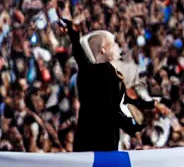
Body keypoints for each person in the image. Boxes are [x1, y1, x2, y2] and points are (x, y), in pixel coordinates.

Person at [59, 14, 156, 152]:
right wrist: (131, 128)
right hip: (98, 142)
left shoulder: (98, 72)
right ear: (103, 49)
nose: (117, 46)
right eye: (113, 43)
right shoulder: (101, 74)